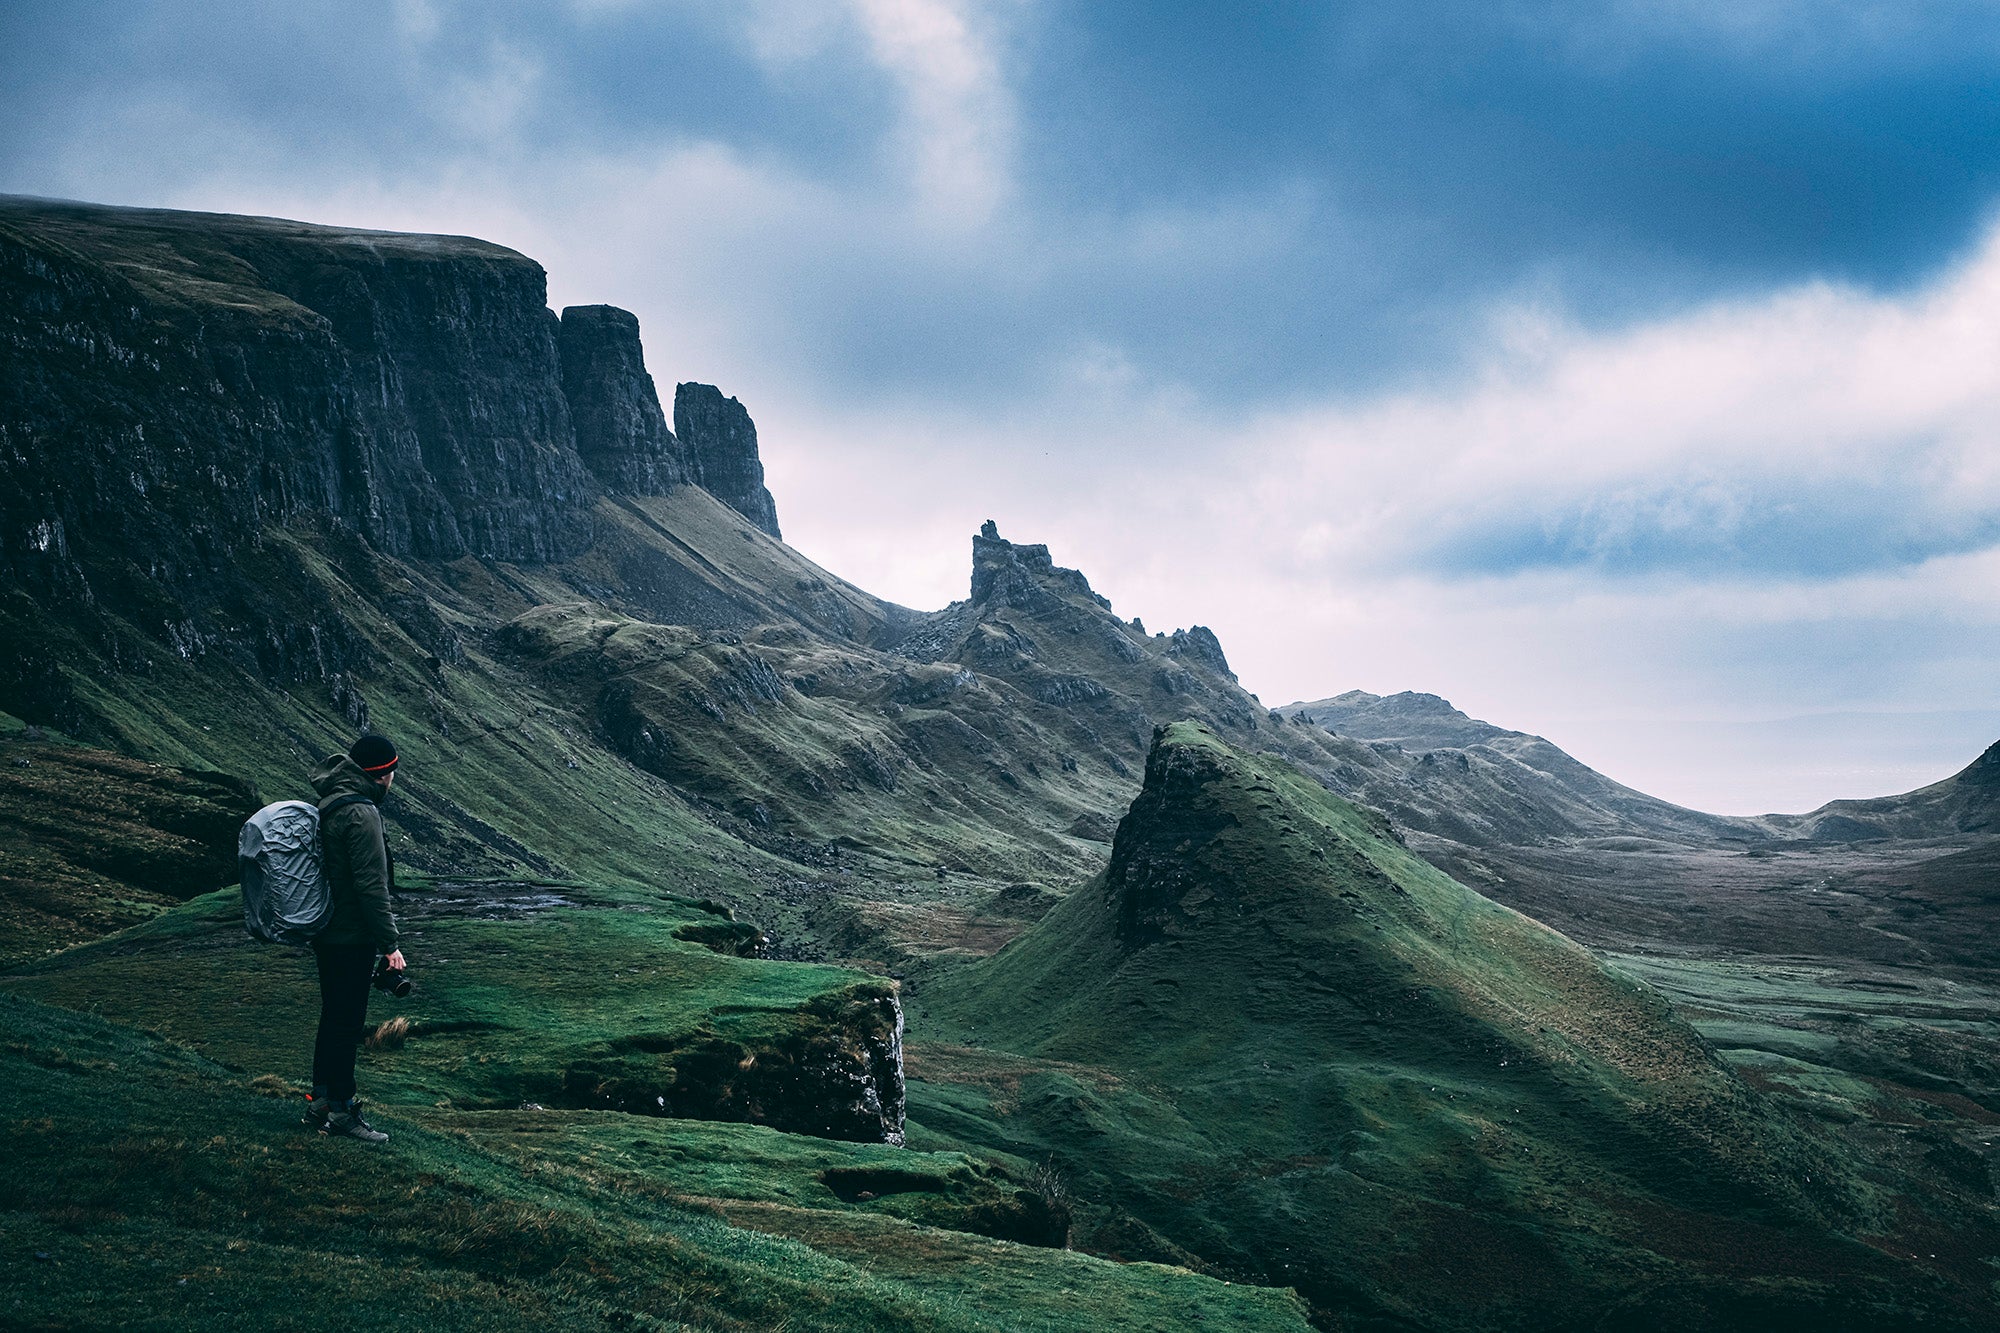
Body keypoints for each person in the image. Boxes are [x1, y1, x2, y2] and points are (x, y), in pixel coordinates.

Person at [302, 733, 406, 1143]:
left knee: (333, 1018)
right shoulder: (362, 813)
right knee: (347, 1024)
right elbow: (371, 886)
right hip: (350, 935)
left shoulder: (331, 801)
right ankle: (342, 1112)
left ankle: (320, 1103)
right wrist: (390, 945)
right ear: (384, 775)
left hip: (326, 929)